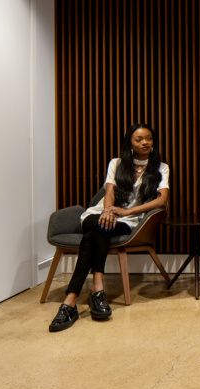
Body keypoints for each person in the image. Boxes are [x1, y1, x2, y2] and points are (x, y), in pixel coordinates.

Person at [49, 124, 170, 332]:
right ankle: (97, 290)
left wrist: (126, 212)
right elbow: (110, 193)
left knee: (95, 232)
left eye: (148, 138)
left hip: (128, 221)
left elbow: (161, 200)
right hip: (99, 213)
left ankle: (71, 301)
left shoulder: (160, 167)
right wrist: (107, 211)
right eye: (139, 139)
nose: (145, 142)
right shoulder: (116, 163)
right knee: (99, 225)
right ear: (130, 143)